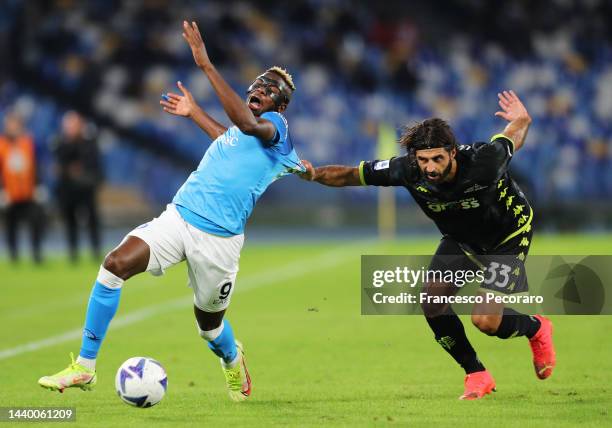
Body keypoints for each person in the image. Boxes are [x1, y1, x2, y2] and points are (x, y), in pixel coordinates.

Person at [38, 21, 303, 401]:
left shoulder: (276, 127)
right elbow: (227, 136)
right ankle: (85, 366)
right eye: (259, 84)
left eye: (270, 90)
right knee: (114, 265)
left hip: (219, 242)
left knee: (210, 329)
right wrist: (195, 112)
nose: (261, 90)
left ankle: (232, 357)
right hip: (179, 217)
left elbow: (243, 124)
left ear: (280, 105)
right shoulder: (243, 134)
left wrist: (206, 65)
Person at [299, 90, 555, 400]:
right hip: (462, 241)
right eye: (423, 160)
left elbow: (511, 137)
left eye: (437, 159)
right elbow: (351, 175)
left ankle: (536, 328)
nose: (430, 168)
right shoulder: (407, 170)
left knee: (485, 321)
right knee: (432, 302)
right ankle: (476, 374)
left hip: (507, 236)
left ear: (452, 152)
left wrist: (522, 119)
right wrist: (313, 174)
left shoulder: (483, 162)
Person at [52, 111, 103, 262]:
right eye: (69, 124)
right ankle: (73, 253)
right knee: (70, 221)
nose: (71, 127)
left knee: (92, 219)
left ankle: (96, 251)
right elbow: (57, 167)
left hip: (85, 188)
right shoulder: (61, 143)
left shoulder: (89, 142)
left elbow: (95, 164)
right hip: (68, 189)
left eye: (74, 124)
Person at [0, 111, 44, 263]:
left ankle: (36, 254)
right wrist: (2, 190)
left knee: (36, 223)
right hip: (10, 194)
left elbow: (36, 165)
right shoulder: (1, 144)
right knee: (11, 226)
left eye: (16, 124)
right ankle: (13, 256)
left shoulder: (29, 142)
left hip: (28, 193)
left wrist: (39, 186)